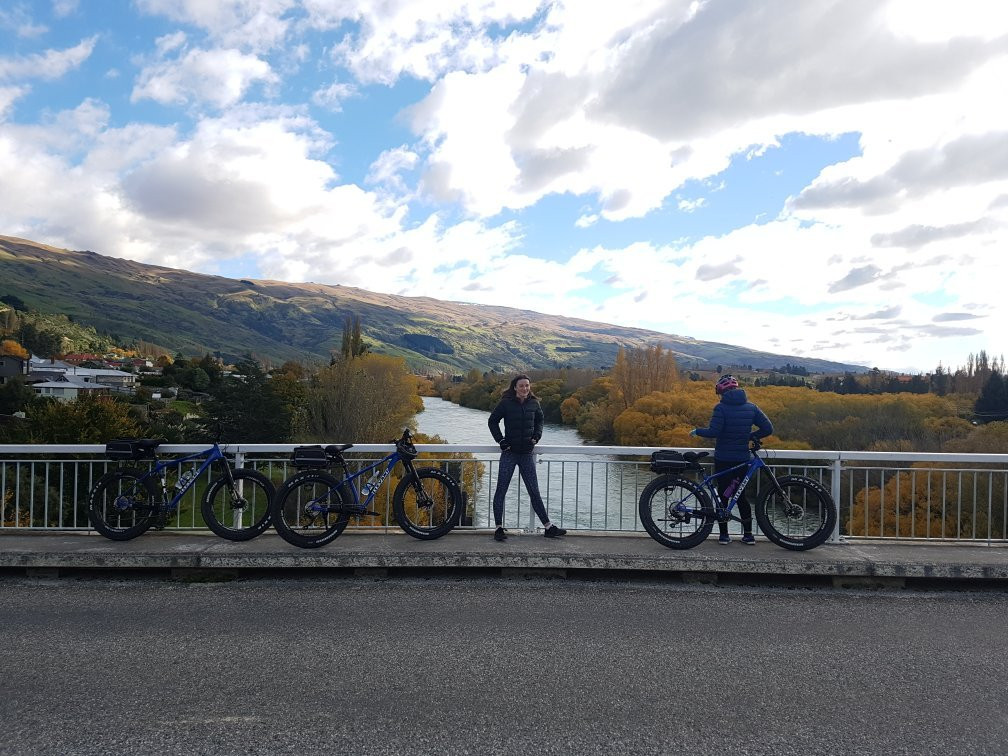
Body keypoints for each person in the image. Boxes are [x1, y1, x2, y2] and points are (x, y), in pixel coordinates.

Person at [691, 374, 773, 545]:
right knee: (741, 496)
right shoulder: (751, 407)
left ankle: (724, 535)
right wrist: (751, 436)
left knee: (723, 495)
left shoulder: (720, 408)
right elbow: (767, 428)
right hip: (742, 459)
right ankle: (748, 535)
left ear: (722, 393)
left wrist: (697, 431)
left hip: (723, 459)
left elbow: (714, 431)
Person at [488, 374, 567, 541]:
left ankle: (548, 527)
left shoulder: (534, 403)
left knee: (534, 491)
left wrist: (537, 436)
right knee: (501, 490)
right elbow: (492, 421)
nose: (525, 388)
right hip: (509, 453)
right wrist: (501, 440)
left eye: (527, 385)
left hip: (526, 454)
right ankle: (498, 528)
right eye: (521, 386)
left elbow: (540, 420)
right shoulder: (506, 403)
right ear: (515, 387)